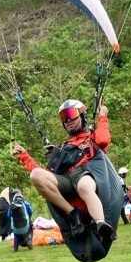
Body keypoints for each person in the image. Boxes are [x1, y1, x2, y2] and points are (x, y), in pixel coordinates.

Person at [11, 100, 114, 240]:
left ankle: (101, 223)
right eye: (63, 118)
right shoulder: (64, 147)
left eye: (71, 115)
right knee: (36, 175)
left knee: (83, 184)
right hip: (67, 182)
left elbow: (104, 140)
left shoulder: (92, 138)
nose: (68, 120)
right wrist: (25, 157)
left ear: (82, 116)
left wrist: (102, 115)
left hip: (88, 176)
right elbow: (47, 175)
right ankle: (72, 214)